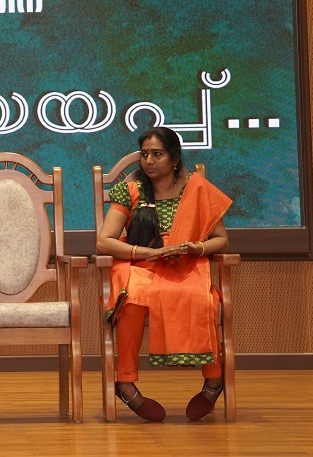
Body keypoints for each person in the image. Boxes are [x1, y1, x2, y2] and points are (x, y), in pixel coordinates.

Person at [95, 126, 232, 422]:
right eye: (144, 154)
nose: (149, 161)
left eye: (157, 154)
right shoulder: (131, 190)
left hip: (185, 266)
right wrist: (148, 253)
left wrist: (196, 247)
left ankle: (214, 381)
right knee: (132, 299)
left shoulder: (197, 188)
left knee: (203, 299)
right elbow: (104, 241)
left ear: (174, 158)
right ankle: (125, 383)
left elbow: (221, 240)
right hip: (142, 266)